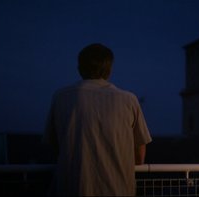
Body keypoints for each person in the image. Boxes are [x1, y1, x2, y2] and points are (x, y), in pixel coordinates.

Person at [43, 43, 152, 196]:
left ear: (80, 68)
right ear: (109, 69)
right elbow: (139, 154)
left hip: (72, 188)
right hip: (118, 189)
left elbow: (54, 145)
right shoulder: (129, 100)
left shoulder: (61, 97)